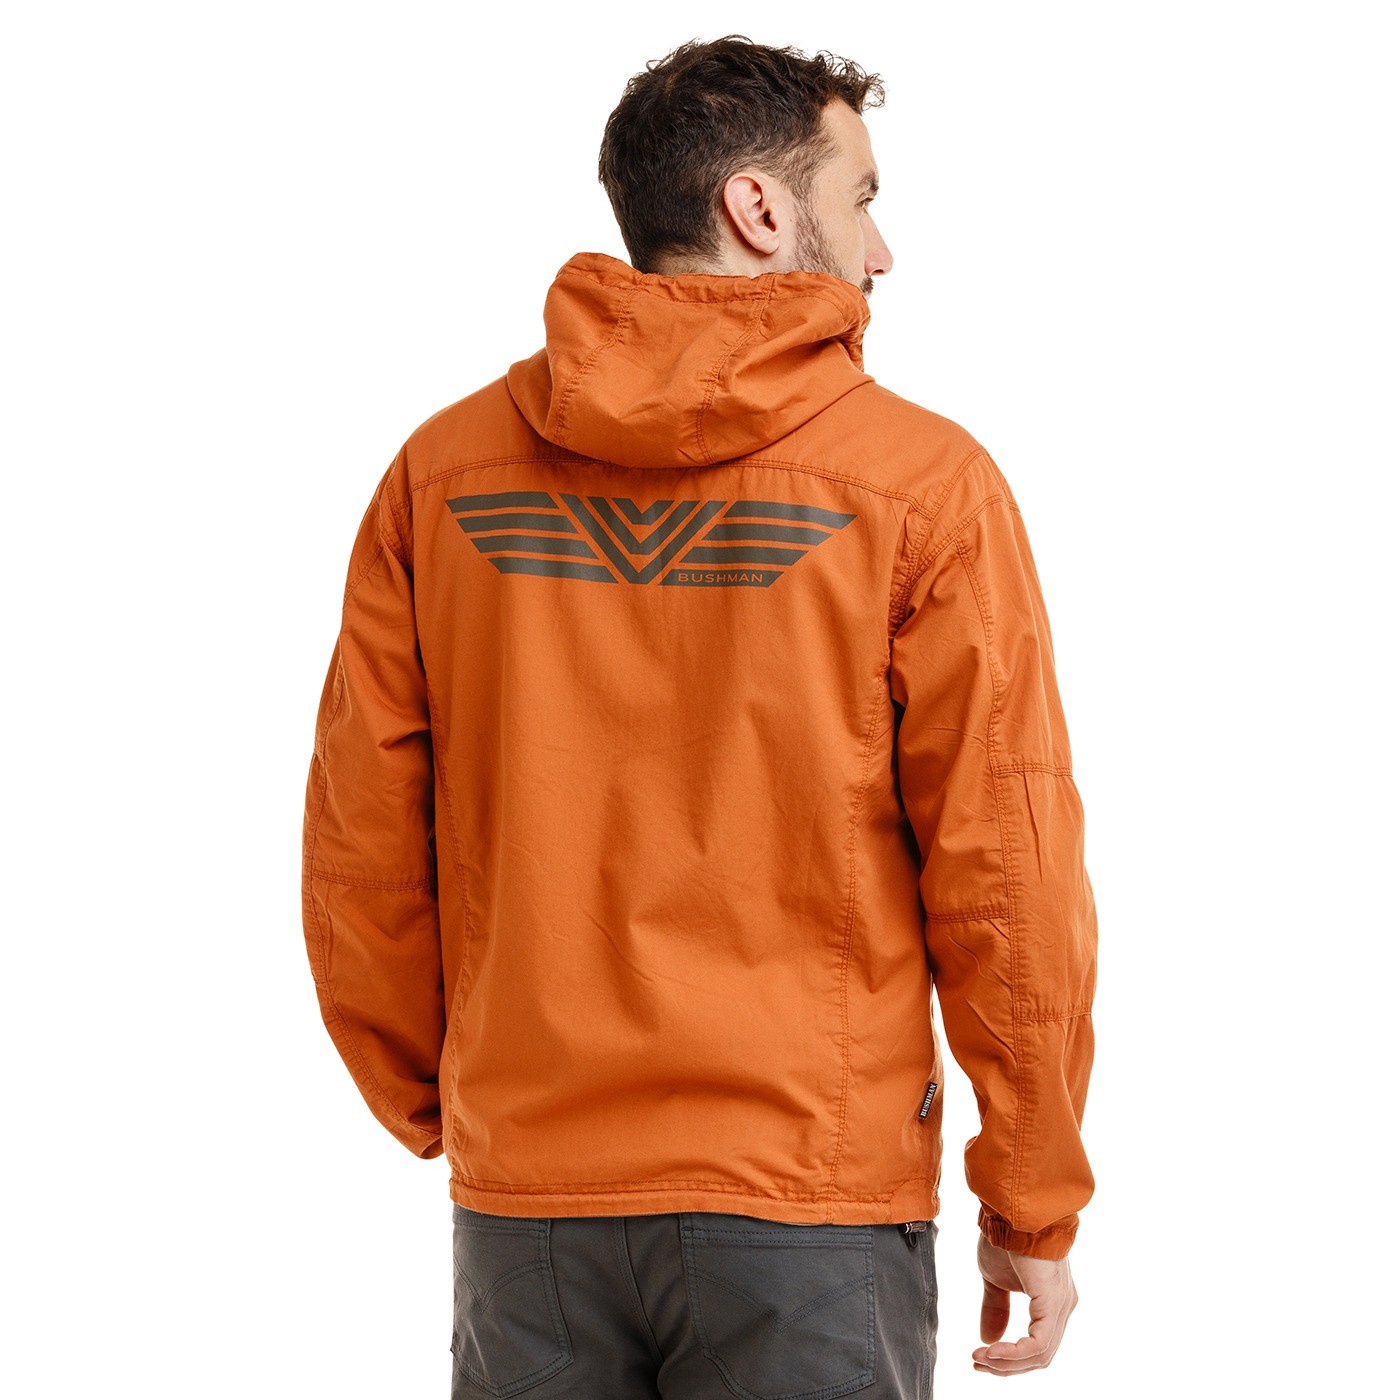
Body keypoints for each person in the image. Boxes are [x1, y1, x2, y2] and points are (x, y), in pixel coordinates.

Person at [300, 32, 1097, 1398]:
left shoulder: (444, 476)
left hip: (530, 1202)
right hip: (808, 1198)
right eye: (861, 198)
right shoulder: (921, 485)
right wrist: (1031, 1195)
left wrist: (463, 1098)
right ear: (759, 208)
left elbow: (361, 839)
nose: (882, 250)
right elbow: (1006, 868)